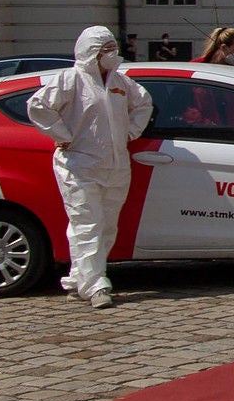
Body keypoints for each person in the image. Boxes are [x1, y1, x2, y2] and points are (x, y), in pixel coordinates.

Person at [26, 28, 154, 309]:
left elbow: (143, 103)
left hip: (116, 165)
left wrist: (130, 132)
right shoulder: (69, 80)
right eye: (104, 48)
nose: (110, 52)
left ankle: (77, 278)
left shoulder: (121, 82)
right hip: (79, 165)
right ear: (89, 51)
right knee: (88, 225)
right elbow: (38, 107)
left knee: (105, 227)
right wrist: (63, 135)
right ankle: (97, 284)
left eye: (112, 46)